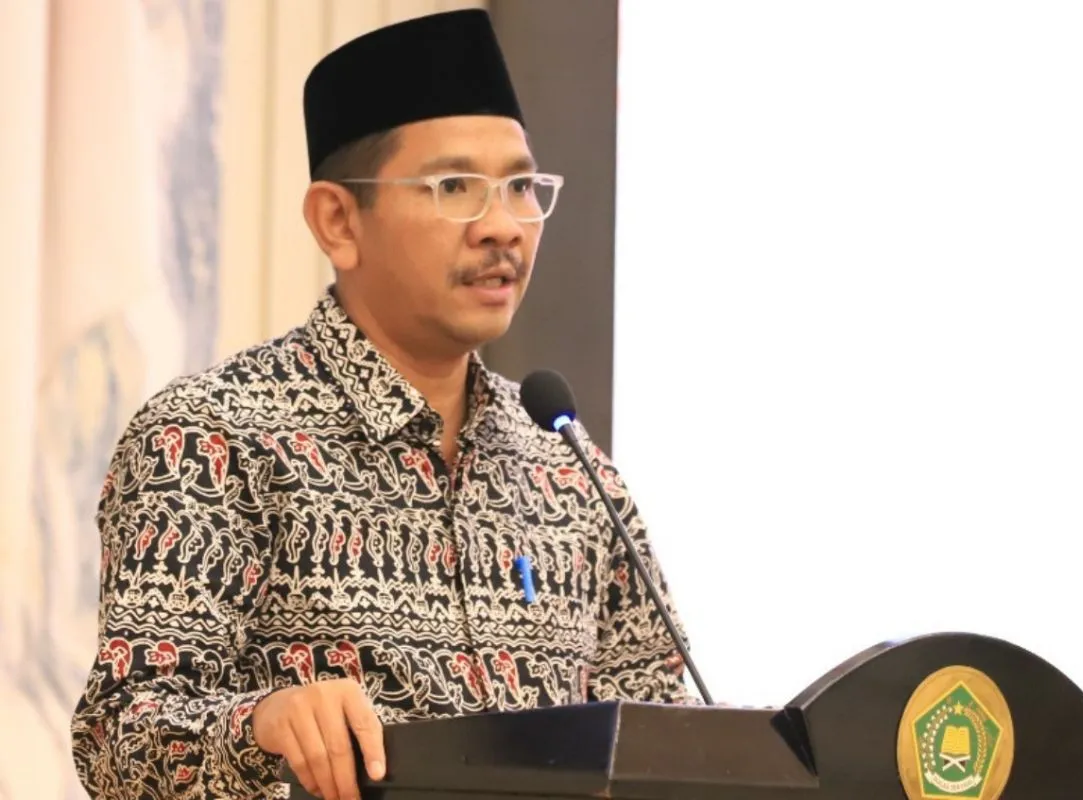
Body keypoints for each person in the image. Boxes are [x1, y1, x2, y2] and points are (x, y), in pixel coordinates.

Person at [69, 9, 694, 800]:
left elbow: (667, 740)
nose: (503, 228)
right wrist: (259, 727)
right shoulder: (210, 441)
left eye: (519, 187)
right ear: (338, 221)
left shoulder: (567, 470)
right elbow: (119, 745)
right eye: (454, 187)